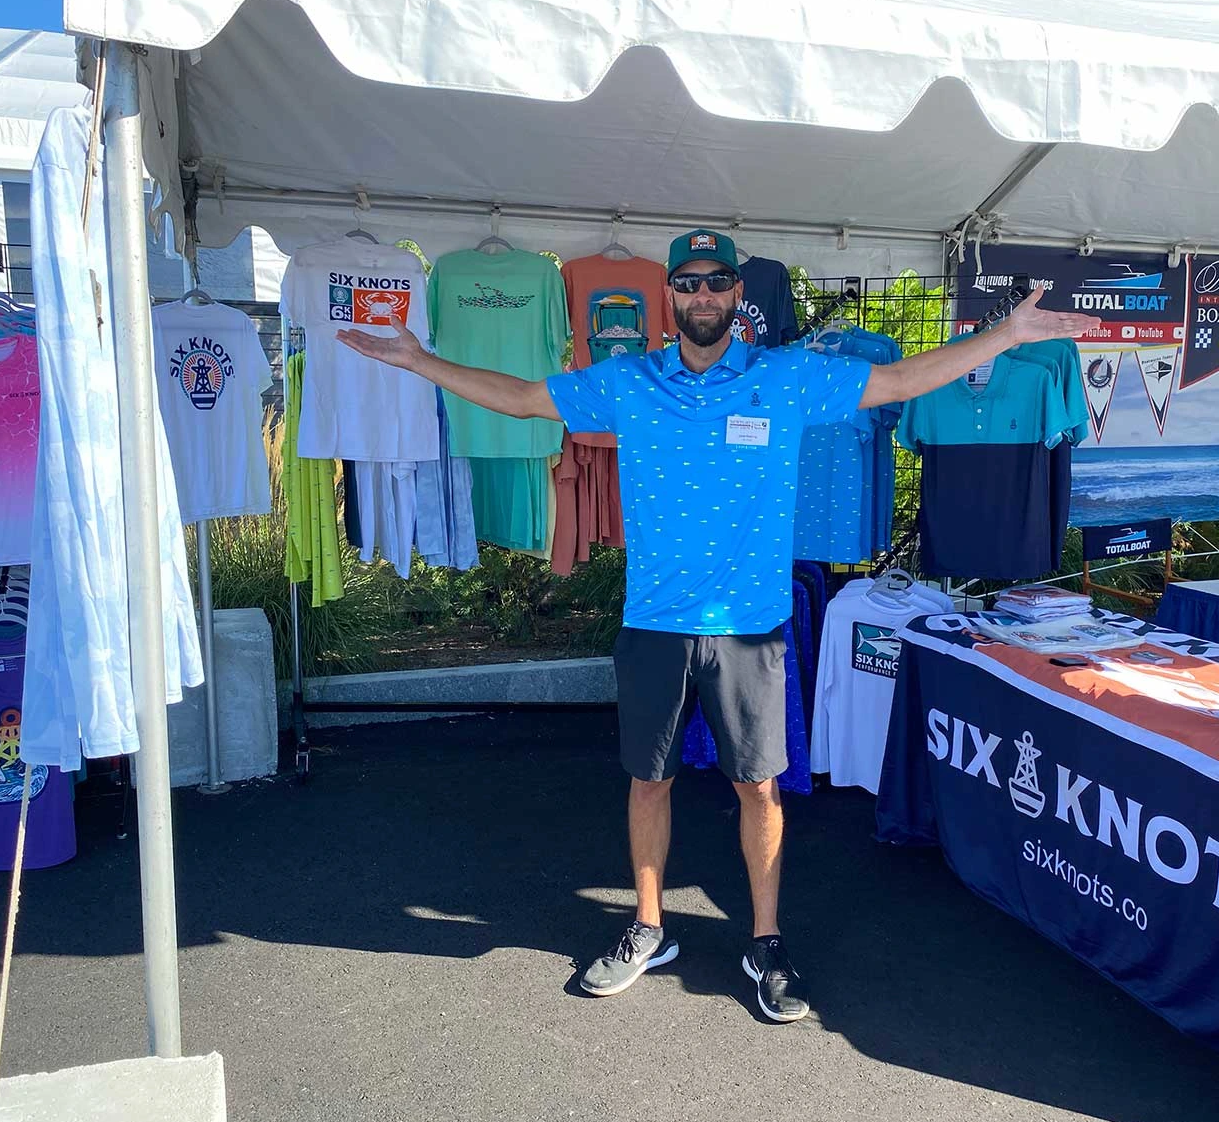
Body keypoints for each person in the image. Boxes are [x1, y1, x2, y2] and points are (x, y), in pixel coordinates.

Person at [339, 229, 1100, 1022]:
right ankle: (646, 927)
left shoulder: (788, 377)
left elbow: (903, 379)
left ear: (740, 295)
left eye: (718, 282)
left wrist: (1005, 334)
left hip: (750, 627)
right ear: (669, 298)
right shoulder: (630, 382)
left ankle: (764, 940)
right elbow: (527, 397)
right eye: (689, 283)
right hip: (655, 622)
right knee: (649, 780)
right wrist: (422, 364)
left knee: (759, 786)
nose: (703, 295)